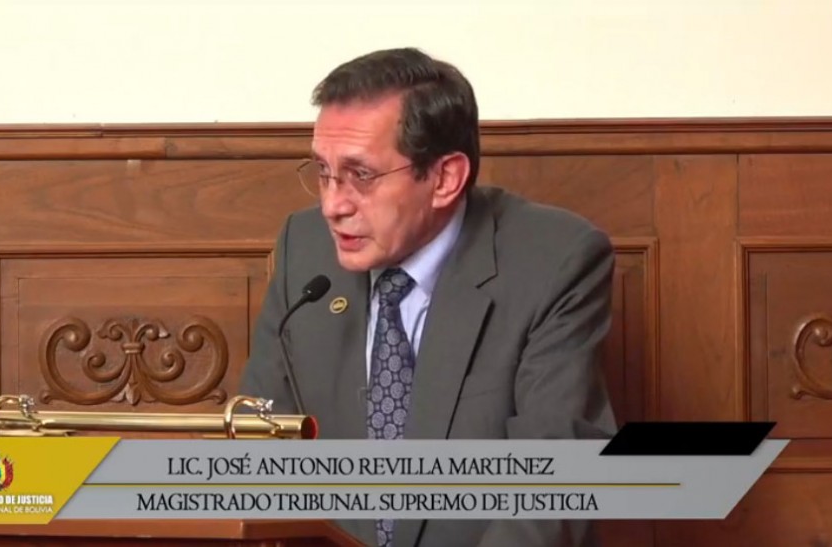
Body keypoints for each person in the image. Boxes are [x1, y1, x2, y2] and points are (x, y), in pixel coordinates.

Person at [238, 47, 616, 547]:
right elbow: (261, 449)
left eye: (361, 175)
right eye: (323, 171)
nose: (332, 204)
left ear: (444, 178)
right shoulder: (304, 249)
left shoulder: (553, 261)